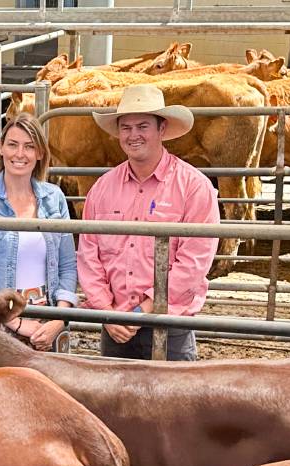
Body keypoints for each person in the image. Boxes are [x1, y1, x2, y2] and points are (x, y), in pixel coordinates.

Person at [76, 84, 219, 361]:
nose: (133, 135)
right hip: (114, 324)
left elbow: (195, 260)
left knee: (174, 402)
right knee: (114, 403)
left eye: (143, 126)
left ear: (161, 129)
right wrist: (107, 311)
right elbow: (88, 253)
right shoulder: (102, 188)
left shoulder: (193, 187)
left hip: (169, 323)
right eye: (126, 127)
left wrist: (146, 309)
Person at [0, 113, 76, 352]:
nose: (20, 154)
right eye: (12, 144)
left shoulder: (55, 198)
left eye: (29, 147)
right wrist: (15, 321)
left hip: (48, 317)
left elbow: (67, 265)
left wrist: (58, 318)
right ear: (0, 148)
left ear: (40, 153)